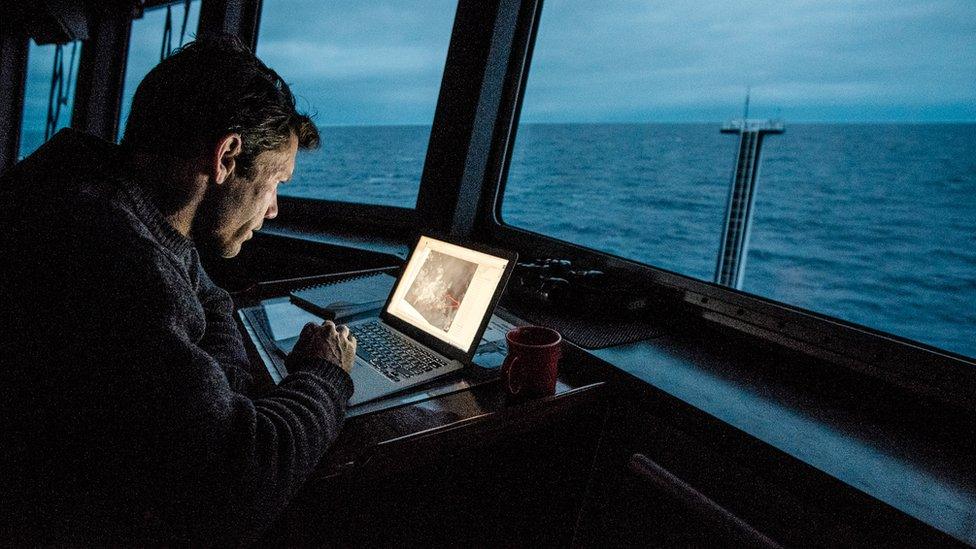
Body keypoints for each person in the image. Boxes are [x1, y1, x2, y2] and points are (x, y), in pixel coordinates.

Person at [0, 35, 356, 545]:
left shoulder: (107, 194)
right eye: (277, 181)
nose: (274, 208)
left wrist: (219, 384)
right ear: (227, 156)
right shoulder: (109, 255)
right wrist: (325, 374)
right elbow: (240, 479)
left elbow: (210, 299)